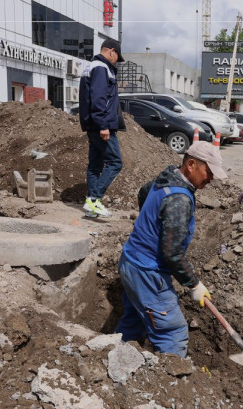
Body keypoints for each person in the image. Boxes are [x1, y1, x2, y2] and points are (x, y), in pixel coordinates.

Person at [115, 141, 228, 358]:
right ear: (192, 165)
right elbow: (172, 253)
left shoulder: (165, 179)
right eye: (209, 172)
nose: (211, 178)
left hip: (130, 261)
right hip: (148, 272)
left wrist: (150, 226)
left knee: (134, 319)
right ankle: (174, 382)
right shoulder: (179, 200)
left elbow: (143, 193)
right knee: (172, 331)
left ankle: (118, 358)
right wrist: (194, 284)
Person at [79, 38, 127, 218]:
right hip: (101, 125)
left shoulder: (91, 67)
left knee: (95, 165)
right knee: (115, 162)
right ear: (111, 51)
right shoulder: (101, 67)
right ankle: (94, 199)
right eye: (117, 57)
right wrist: (103, 125)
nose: (117, 61)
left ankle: (91, 208)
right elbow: (99, 98)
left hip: (92, 124)